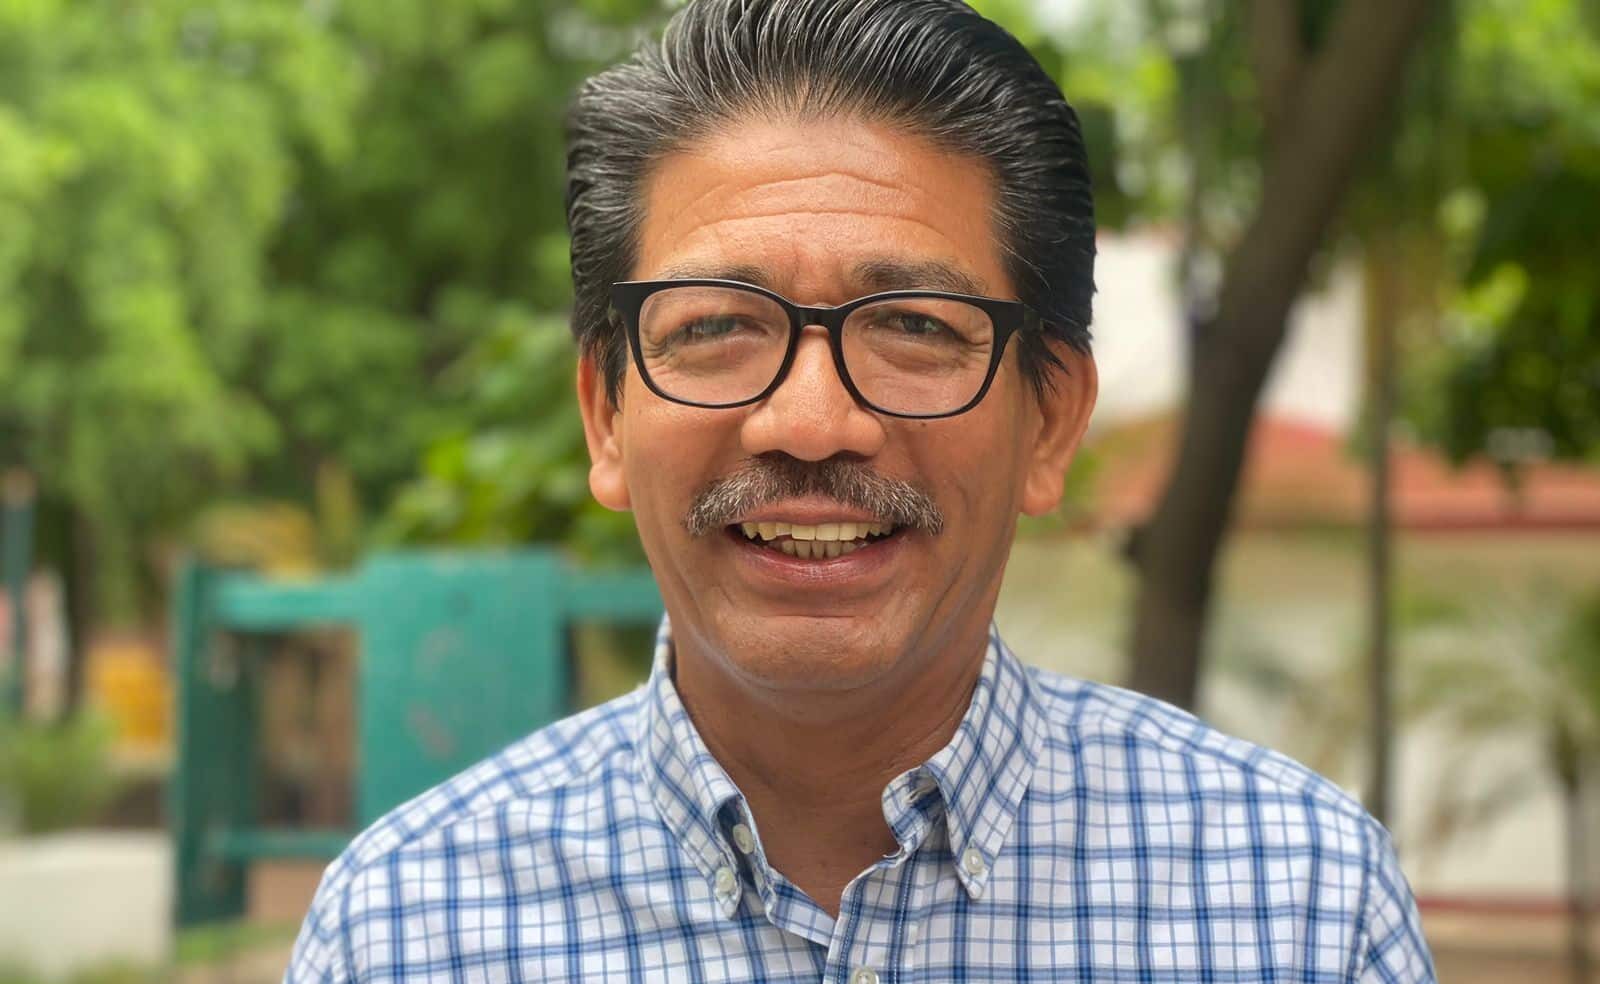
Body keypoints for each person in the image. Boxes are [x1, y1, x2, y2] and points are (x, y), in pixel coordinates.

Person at [286, 1, 1436, 980]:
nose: (810, 421)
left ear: (1048, 418)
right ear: (604, 414)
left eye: (914, 327)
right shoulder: (403, 930)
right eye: (719, 326)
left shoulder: (1296, 909)